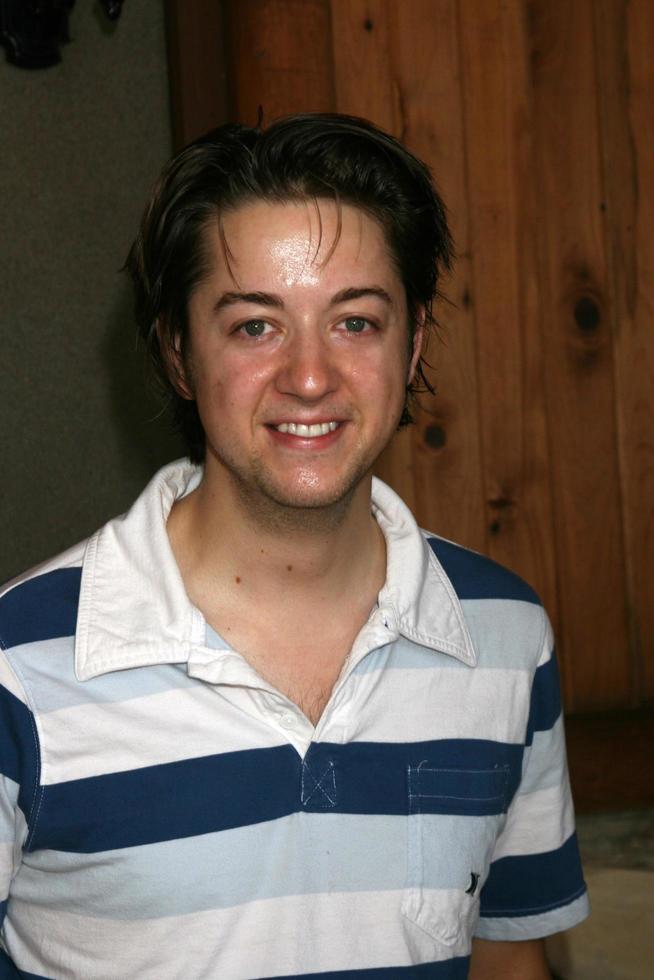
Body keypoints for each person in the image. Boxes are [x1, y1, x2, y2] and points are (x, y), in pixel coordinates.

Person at [0, 114, 588, 979]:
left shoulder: (505, 635)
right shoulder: (20, 666)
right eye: (254, 327)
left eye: (355, 322)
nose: (310, 377)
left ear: (414, 342)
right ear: (177, 353)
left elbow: (508, 959)